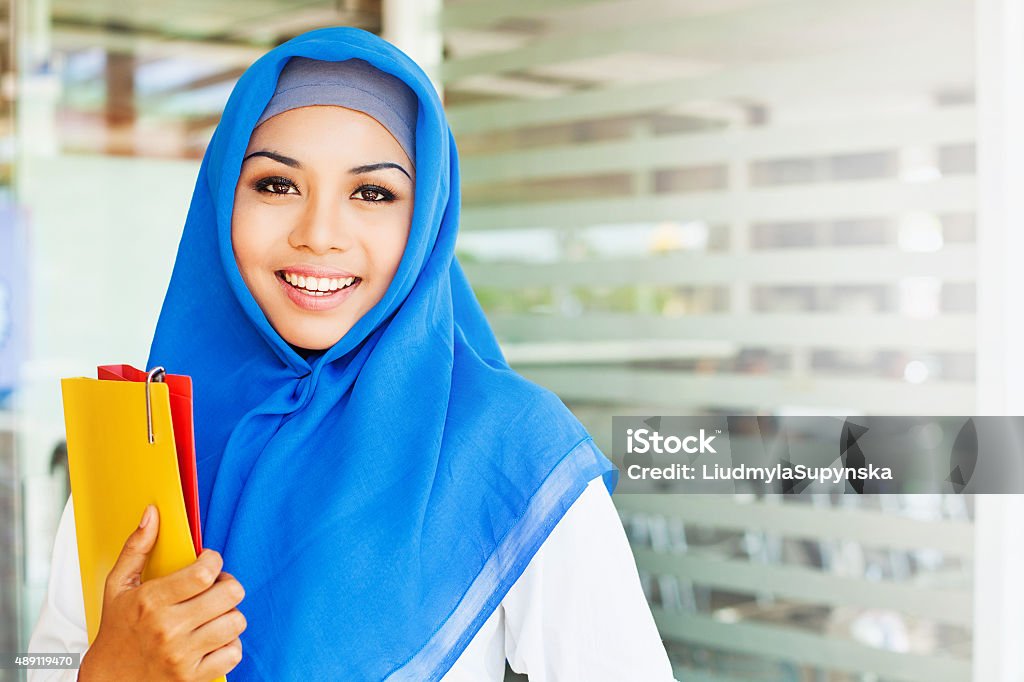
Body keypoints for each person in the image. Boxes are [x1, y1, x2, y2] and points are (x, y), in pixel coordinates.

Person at [28, 27, 676, 681]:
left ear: (424, 220)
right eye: (277, 185)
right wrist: (104, 671)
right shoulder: (144, 439)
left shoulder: (506, 443)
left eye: (372, 194)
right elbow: (45, 658)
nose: (319, 235)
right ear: (223, 200)